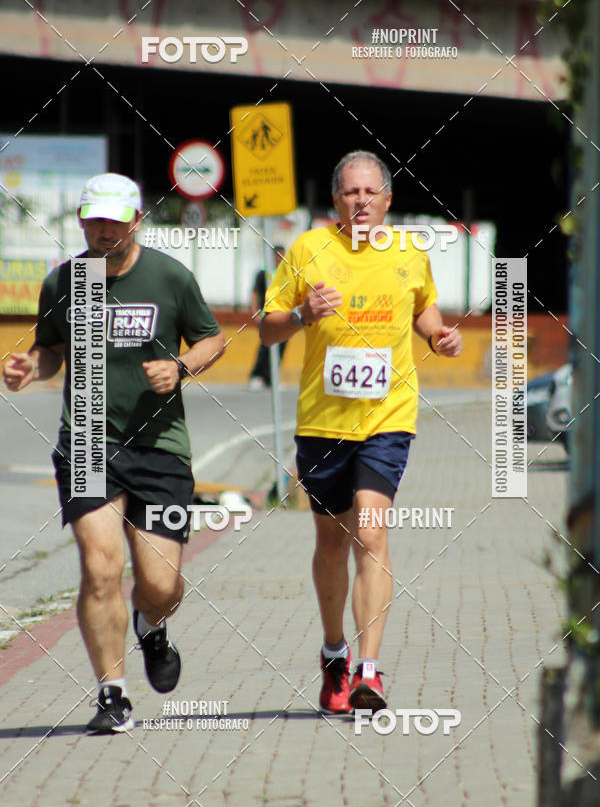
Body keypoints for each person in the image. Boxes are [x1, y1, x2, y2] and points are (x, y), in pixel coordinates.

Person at [3, 173, 225, 734]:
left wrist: (179, 368)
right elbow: (51, 349)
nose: (103, 230)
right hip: (87, 441)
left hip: (160, 447)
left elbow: (211, 338)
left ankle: (151, 624)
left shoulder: (170, 277)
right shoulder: (66, 282)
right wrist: (33, 367)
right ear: (82, 221)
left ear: (136, 220)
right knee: (100, 566)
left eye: (114, 220)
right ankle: (112, 693)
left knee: (161, 585)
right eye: (93, 220)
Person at [260, 151, 462, 714]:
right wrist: (303, 314)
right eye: (351, 193)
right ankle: (334, 656)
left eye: (371, 192)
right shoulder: (307, 250)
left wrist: (437, 336)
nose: (362, 202)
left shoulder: (409, 253)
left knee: (371, 533)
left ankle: (369, 671)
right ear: (335, 201)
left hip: (387, 418)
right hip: (322, 422)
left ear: (389, 200)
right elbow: (266, 330)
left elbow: (424, 310)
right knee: (331, 542)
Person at [248, 245, 286, 390]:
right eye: (279, 256)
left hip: (282, 316)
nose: (281, 259)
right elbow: (255, 293)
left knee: (280, 346)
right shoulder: (264, 273)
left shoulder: (285, 273)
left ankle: (272, 378)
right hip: (267, 315)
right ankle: (257, 375)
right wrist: (255, 311)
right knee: (265, 346)